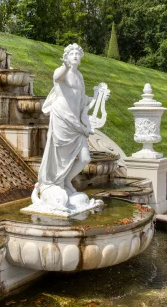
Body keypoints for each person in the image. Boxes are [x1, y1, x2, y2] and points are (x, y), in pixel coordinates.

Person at [34, 43, 93, 211]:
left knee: (85, 158)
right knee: (60, 157)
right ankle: (57, 183)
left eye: (77, 53)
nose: (75, 55)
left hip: (75, 122)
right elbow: (57, 78)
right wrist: (65, 67)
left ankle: (66, 180)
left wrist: (96, 97)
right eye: (71, 53)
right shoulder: (62, 71)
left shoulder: (79, 76)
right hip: (62, 118)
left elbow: (80, 98)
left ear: (81, 57)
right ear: (66, 57)